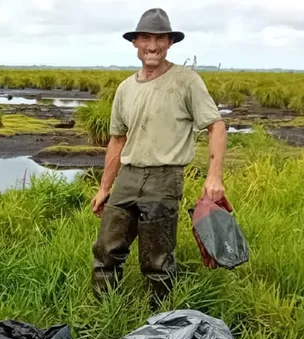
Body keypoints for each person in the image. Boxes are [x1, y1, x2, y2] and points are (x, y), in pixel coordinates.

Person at [89, 8, 227, 305]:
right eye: (146, 38)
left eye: (160, 38)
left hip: (165, 178)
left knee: (156, 258)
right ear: (135, 43)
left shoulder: (186, 81)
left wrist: (214, 177)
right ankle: (103, 311)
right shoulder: (126, 88)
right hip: (128, 176)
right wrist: (104, 188)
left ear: (170, 43)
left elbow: (216, 125)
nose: (153, 46)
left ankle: (160, 320)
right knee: (105, 249)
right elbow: (117, 140)